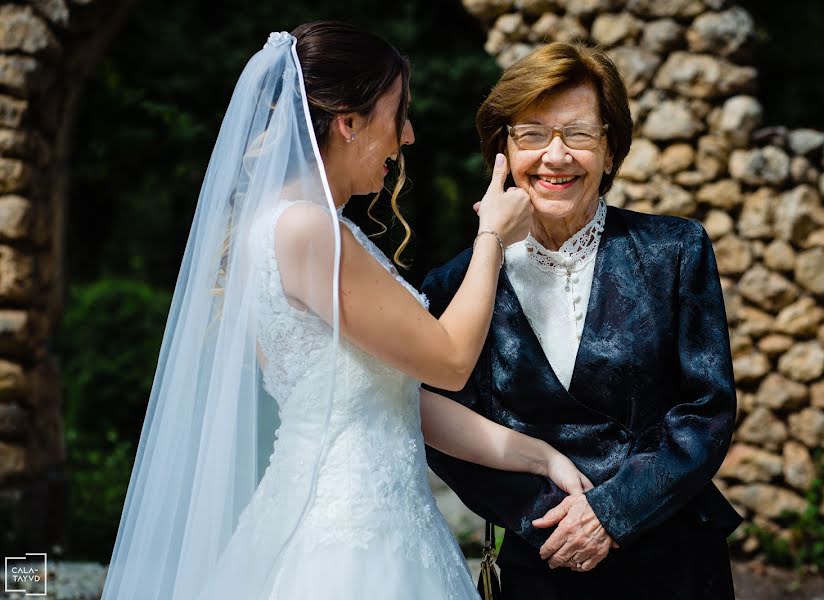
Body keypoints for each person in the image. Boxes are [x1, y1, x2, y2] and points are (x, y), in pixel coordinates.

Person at [101, 23, 592, 600]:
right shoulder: (310, 231)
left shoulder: (289, 228)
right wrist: (492, 238)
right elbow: (451, 361)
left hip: (343, 512)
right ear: (349, 121)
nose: (407, 136)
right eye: (397, 114)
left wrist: (540, 456)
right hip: (351, 539)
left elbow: (393, 398)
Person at [422, 41, 743, 599]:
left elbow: (706, 409)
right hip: (539, 563)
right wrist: (558, 523)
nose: (556, 155)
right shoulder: (454, 286)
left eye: (578, 134)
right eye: (533, 134)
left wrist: (612, 514)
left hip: (671, 560)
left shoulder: (675, 251)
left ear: (611, 151)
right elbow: (442, 427)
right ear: (502, 150)